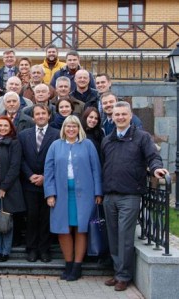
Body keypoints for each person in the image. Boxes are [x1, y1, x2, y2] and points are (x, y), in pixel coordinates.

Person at [101, 101, 168, 292]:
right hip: (110, 195)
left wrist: (156, 169)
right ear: (112, 117)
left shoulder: (142, 138)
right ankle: (117, 271)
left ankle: (124, 276)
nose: (120, 117)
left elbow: (153, 157)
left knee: (125, 236)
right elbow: (104, 164)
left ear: (130, 116)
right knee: (113, 236)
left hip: (130, 195)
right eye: (117, 114)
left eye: (123, 114)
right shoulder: (108, 140)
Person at [44, 115, 102, 281]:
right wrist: (50, 194)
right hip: (61, 195)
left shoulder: (88, 145)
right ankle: (68, 263)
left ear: (79, 128)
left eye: (74, 126)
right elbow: (48, 172)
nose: (71, 129)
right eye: (68, 126)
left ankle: (77, 266)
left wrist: (98, 193)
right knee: (63, 230)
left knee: (81, 229)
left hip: (85, 194)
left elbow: (96, 170)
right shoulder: (55, 146)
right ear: (64, 128)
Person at [19, 104, 59, 263]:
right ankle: (31, 249)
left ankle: (44, 249)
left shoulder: (56, 135)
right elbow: (20, 158)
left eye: (44, 113)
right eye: (37, 114)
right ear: (33, 117)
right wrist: (30, 175)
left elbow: (58, 160)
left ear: (49, 116)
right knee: (31, 217)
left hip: (48, 184)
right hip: (29, 184)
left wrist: (44, 176)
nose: (41, 116)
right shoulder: (23, 135)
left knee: (46, 218)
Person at [0, 116, 25, 262]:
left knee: (6, 222)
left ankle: (5, 251)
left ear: (10, 128)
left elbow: (15, 167)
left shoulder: (14, 143)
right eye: (0, 126)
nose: (2, 128)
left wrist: (4, 188)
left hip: (9, 189)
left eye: (5, 126)